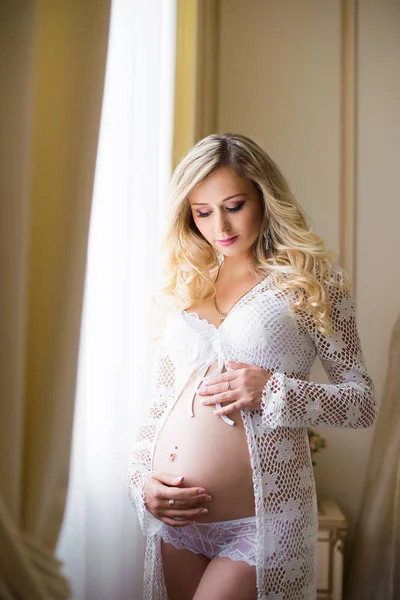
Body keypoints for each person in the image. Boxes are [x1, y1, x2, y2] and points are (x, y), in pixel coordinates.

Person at [127, 133, 377, 600]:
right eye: (202, 212)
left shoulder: (309, 281)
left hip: (262, 522)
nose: (219, 225)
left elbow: (361, 403)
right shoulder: (187, 283)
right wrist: (143, 482)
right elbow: (160, 403)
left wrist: (274, 388)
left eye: (234, 205)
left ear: (264, 196)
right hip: (176, 521)